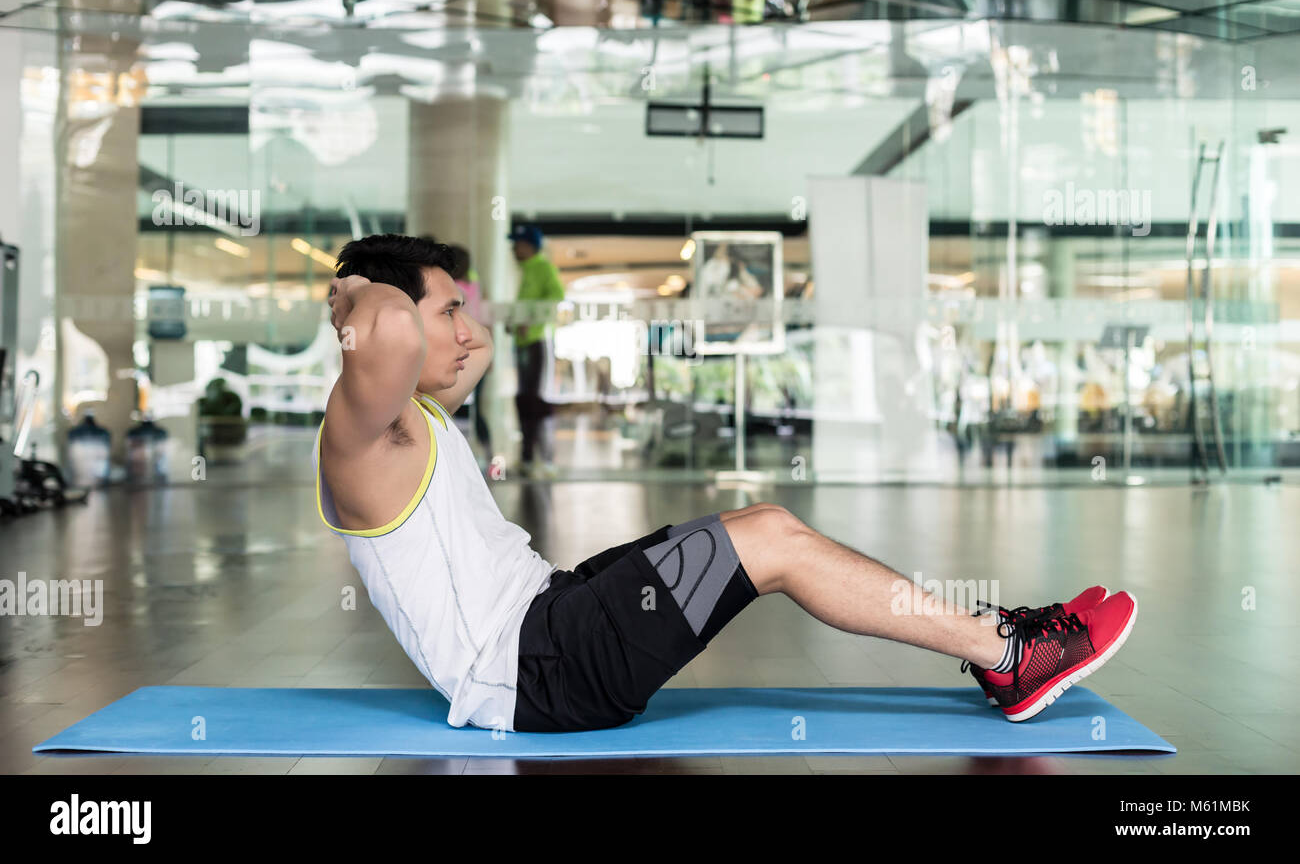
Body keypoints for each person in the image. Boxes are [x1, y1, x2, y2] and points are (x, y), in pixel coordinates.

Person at [317, 235, 1138, 733]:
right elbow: (389, 324)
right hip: (534, 669)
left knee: (761, 522)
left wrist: (430, 299)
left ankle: (998, 641)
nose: (469, 332)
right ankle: (1010, 655)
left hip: (552, 614)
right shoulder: (363, 438)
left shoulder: (419, 414)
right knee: (772, 543)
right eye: (448, 312)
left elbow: (469, 347)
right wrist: (355, 286)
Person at [507, 223, 565, 478]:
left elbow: (556, 297)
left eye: (517, 244)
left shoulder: (543, 268)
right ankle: (527, 458)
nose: (513, 249)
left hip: (537, 342)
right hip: (522, 344)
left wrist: (530, 321)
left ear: (529, 246)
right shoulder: (524, 271)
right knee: (524, 400)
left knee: (536, 401)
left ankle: (546, 460)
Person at [446, 243, 493, 466]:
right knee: (475, 408)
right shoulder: (477, 288)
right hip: (477, 351)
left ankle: (460, 458)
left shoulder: (450, 289)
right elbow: (487, 322)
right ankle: (489, 455)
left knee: (455, 405)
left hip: (457, 351)